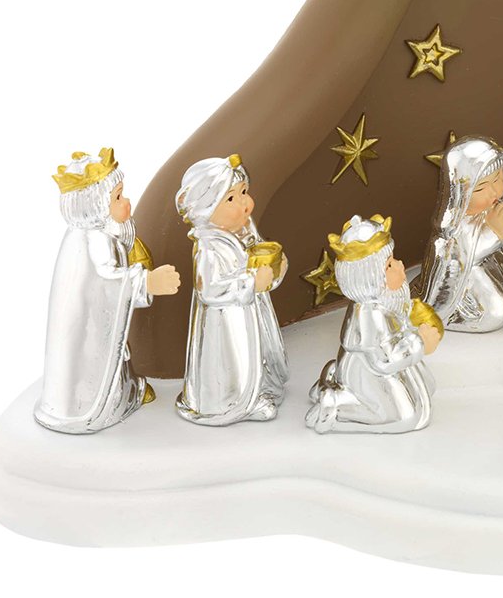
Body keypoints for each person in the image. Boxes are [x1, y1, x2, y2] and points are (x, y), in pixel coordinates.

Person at [37, 149, 180, 433]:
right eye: (117, 197)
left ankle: (127, 391)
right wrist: (148, 282)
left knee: (116, 356)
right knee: (99, 365)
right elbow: (106, 284)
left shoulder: (100, 235)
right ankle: (100, 406)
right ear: (96, 206)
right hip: (87, 337)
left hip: (98, 330)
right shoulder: (93, 240)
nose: (126, 202)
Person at [174, 154, 289, 425]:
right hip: (225, 322)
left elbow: (258, 261)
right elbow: (209, 290)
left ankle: (260, 387)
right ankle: (232, 403)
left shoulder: (242, 229)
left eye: (244, 192)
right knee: (233, 360)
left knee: (254, 352)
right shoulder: (209, 247)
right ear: (206, 209)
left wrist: (275, 269)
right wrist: (251, 283)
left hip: (250, 312)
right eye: (230, 199)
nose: (244, 204)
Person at [306, 214, 443, 434]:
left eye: (393, 259)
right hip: (369, 373)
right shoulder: (370, 313)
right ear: (370, 278)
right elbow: (383, 360)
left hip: (386, 365)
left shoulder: (384, 302)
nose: (400, 265)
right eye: (389, 265)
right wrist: (420, 343)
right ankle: (335, 408)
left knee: (426, 387)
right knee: (408, 418)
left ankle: (331, 379)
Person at [418, 136, 503, 332]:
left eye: (498, 179)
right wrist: (495, 233)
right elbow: (460, 258)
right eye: (480, 188)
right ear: (461, 193)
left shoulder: (489, 210)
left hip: (494, 267)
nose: (494, 191)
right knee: (498, 313)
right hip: (470, 280)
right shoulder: (453, 230)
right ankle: (462, 314)